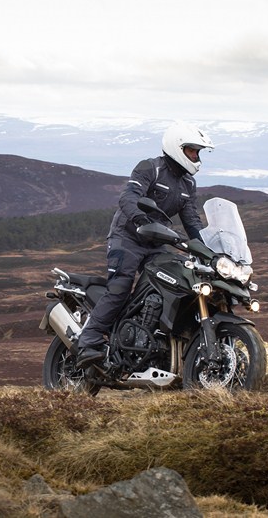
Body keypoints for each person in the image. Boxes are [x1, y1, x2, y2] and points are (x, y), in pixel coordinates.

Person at [75, 120, 214, 369]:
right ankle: (88, 341)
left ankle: (148, 340)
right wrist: (140, 218)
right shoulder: (151, 168)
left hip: (157, 243)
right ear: (176, 147)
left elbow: (192, 221)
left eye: (198, 152)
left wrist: (210, 252)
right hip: (127, 237)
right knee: (120, 287)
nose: (195, 156)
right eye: (191, 150)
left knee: (170, 285)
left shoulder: (188, 184)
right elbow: (128, 197)